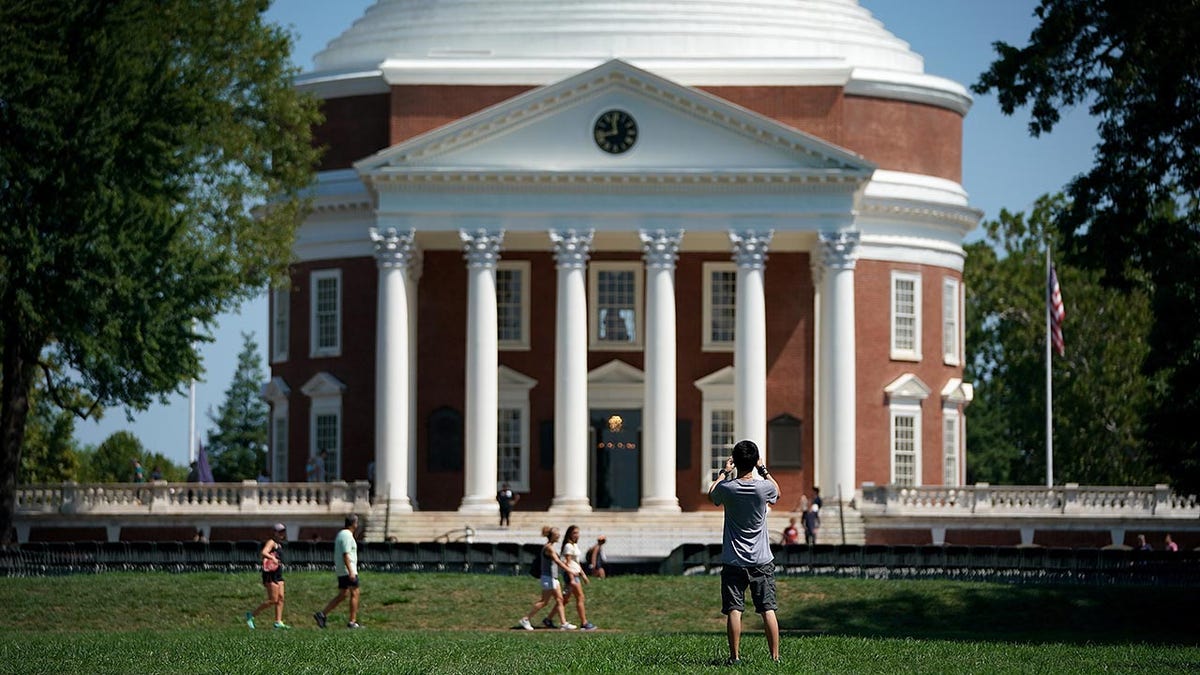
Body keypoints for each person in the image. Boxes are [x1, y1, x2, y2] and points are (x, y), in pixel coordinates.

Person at [708, 439, 781, 665]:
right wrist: (763, 469)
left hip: (733, 559)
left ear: (735, 462)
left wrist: (723, 473)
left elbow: (712, 494)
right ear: (755, 461)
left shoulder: (727, 489)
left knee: (734, 609)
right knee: (767, 609)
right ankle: (774, 657)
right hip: (761, 558)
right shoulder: (764, 488)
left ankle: (735, 657)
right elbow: (777, 493)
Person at [517, 526, 574, 631]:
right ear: (552, 536)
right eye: (557, 534)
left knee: (560, 599)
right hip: (548, 577)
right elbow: (557, 561)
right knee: (544, 601)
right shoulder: (549, 548)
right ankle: (526, 619)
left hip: (553, 577)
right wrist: (569, 570)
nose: (559, 535)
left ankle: (563, 623)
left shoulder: (551, 547)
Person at [315, 514, 362, 629]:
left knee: (343, 594)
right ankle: (352, 621)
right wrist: (351, 571)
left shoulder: (341, 534)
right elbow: (346, 554)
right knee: (355, 593)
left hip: (342, 569)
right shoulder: (347, 536)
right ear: (354, 524)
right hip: (348, 569)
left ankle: (322, 614)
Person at [548, 525, 595, 630]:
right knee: (580, 597)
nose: (577, 535)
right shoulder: (568, 546)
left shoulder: (574, 545)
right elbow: (568, 563)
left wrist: (583, 575)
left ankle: (549, 618)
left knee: (564, 600)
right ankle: (584, 623)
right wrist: (572, 579)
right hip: (571, 575)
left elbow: (576, 562)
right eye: (574, 533)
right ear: (569, 534)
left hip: (576, 574)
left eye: (577, 533)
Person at [246, 523, 290, 629]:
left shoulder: (279, 544)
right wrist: (272, 558)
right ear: (275, 533)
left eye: (283, 532)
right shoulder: (271, 542)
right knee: (273, 599)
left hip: (278, 573)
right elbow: (263, 552)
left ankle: (278, 622)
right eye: (280, 532)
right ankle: (251, 615)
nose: (282, 534)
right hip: (270, 574)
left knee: (281, 597)